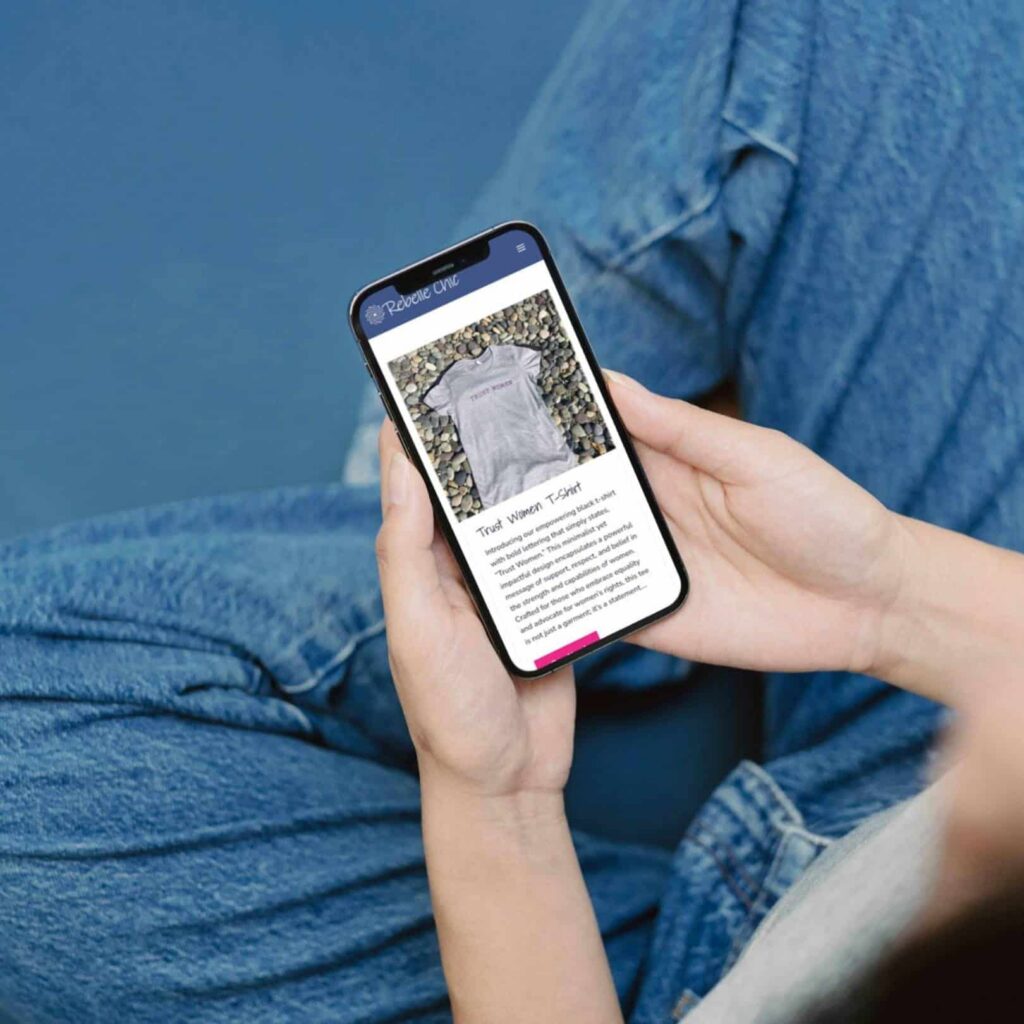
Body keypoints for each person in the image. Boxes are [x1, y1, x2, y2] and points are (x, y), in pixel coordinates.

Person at [1, 0, 1021, 1021]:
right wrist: (891, 596)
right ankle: (493, 526)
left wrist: (496, 807)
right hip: (944, 754)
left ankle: (429, 517)